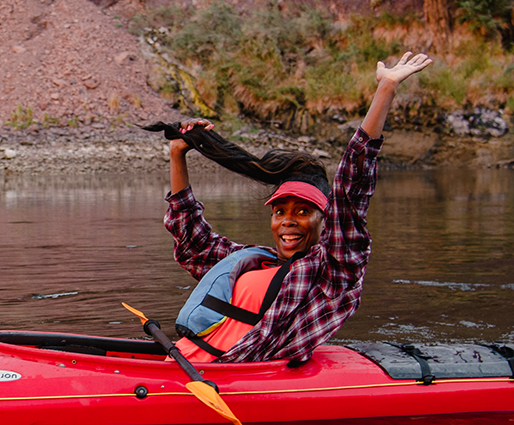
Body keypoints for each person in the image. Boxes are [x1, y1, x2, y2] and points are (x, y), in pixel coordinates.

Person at [153, 51, 433, 364]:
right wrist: (178, 153)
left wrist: (386, 89)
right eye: (280, 212)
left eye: (303, 212)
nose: (288, 221)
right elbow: (192, 239)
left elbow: (351, 192)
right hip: (180, 366)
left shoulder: (331, 275)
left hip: (225, 378)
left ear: (323, 219)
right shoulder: (254, 260)